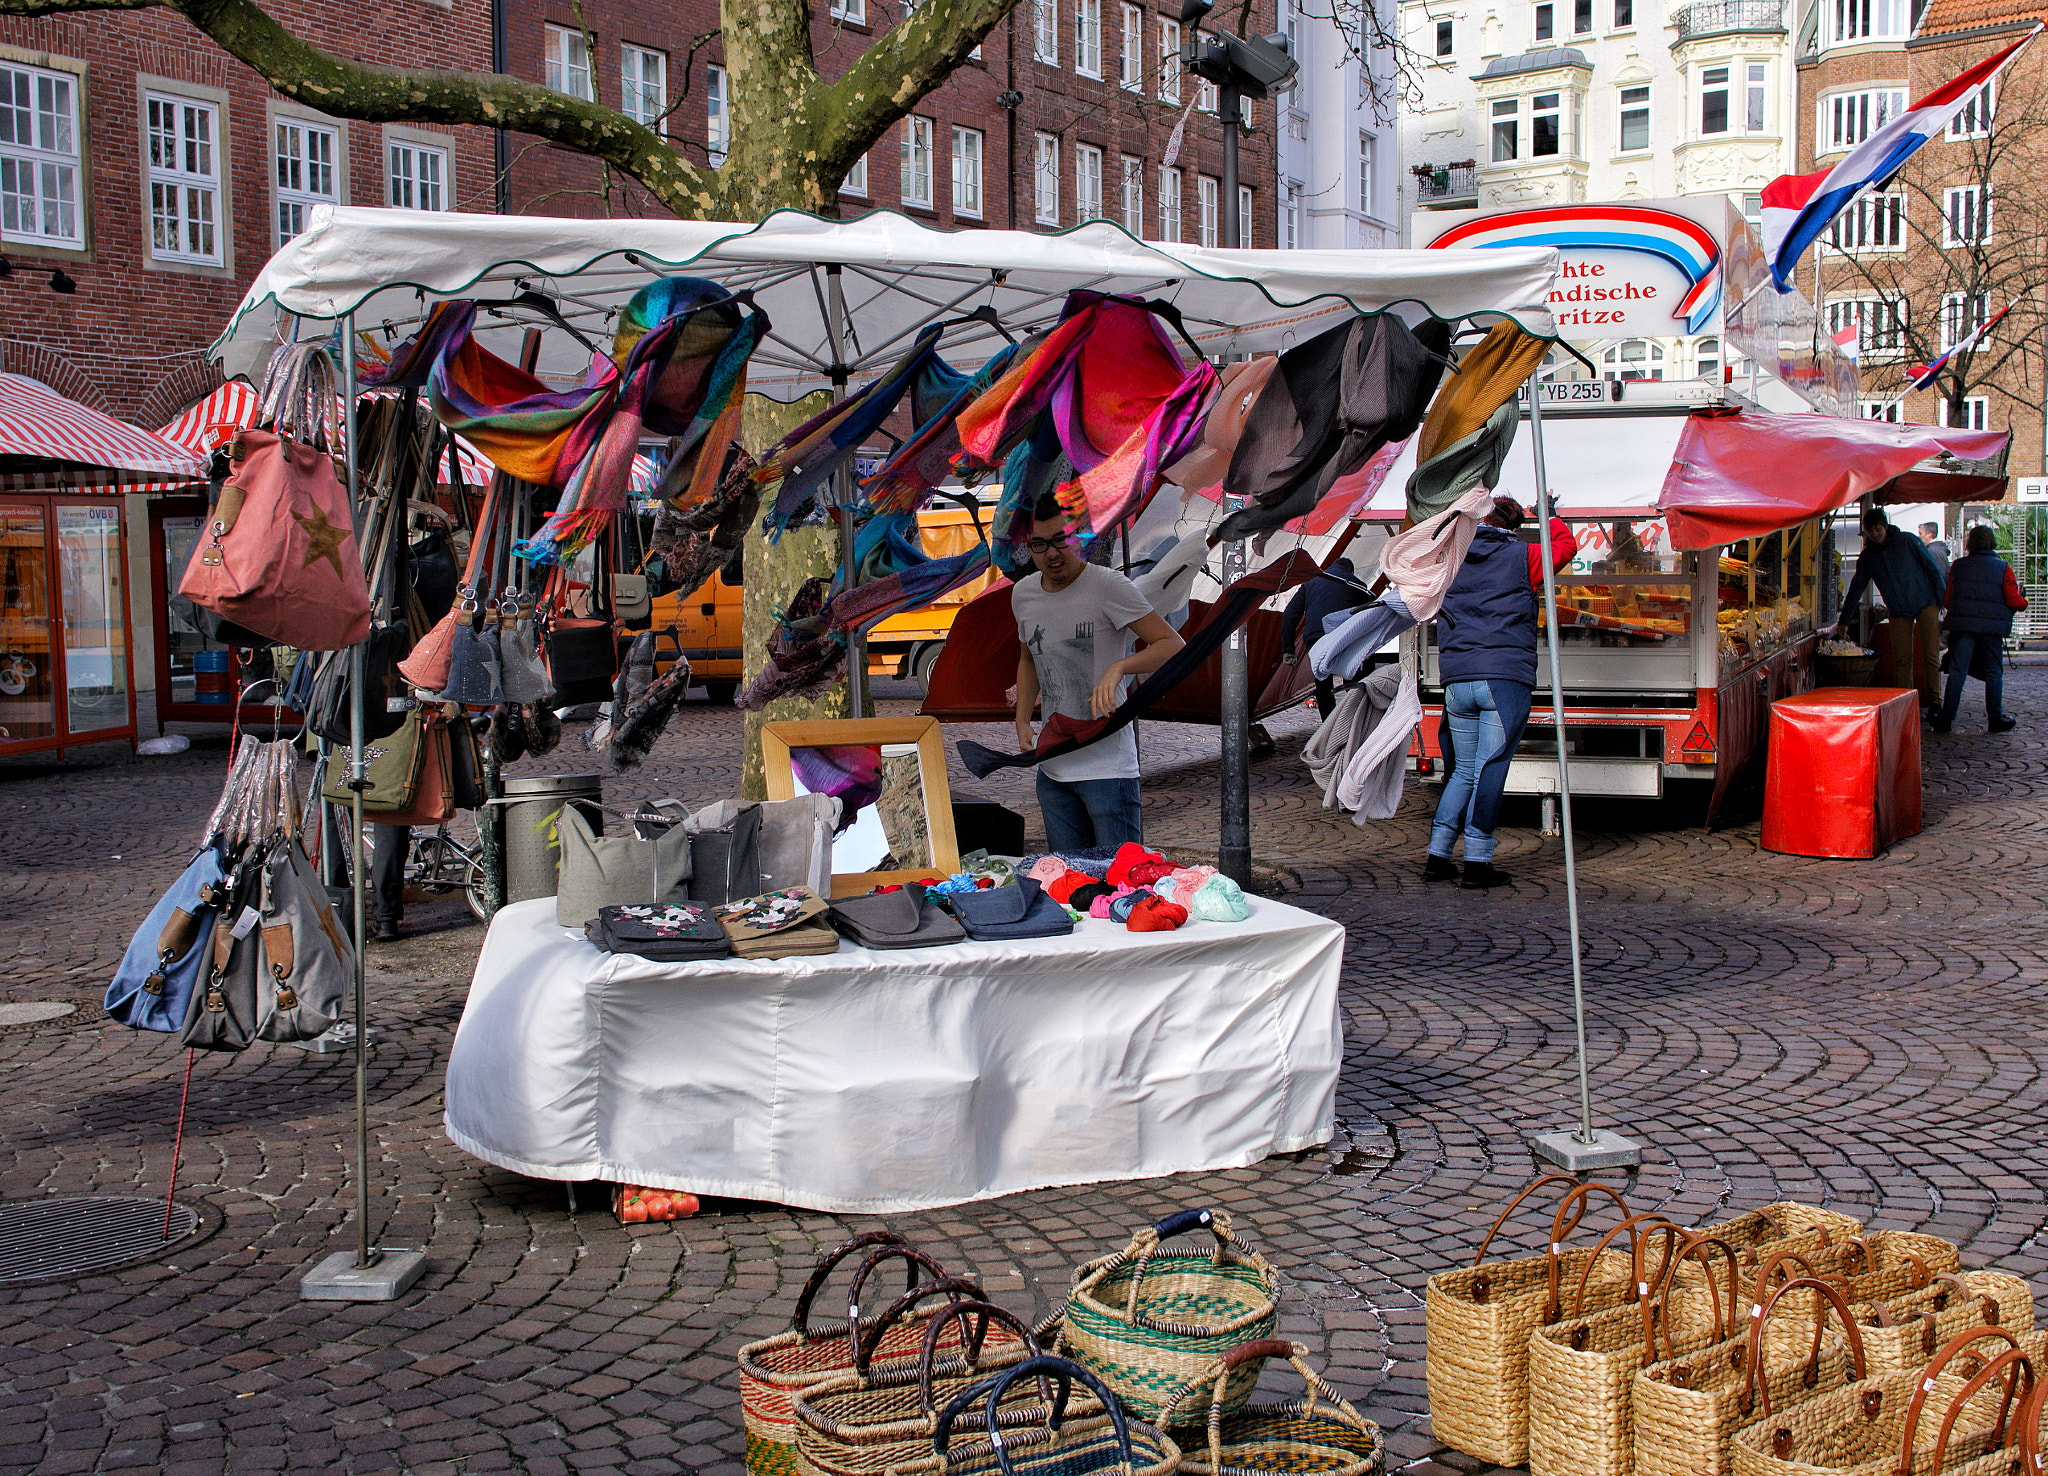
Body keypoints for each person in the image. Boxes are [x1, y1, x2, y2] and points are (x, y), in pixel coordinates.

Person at [1014, 495, 1186, 851]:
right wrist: (1021, 720)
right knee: (1070, 888)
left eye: (1061, 540)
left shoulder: (1108, 585)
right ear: (1026, 546)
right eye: (1039, 545)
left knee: (1121, 885)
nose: (1052, 554)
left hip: (1109, 771)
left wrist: (1120, 666)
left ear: (1080, 536)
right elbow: (1028, 658)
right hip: (1053, 769)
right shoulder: (1023, 594)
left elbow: (1171, 645)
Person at [1424, 497, 1577, 889]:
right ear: (1515, 526)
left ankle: (1437, 855)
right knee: (1490, 769)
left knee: (1462, 770)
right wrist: (1552, 516)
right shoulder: (1523, 557)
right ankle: (1477, 862)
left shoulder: (1452, 558)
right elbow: (1565, 548)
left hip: (1457, 679)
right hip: (1503, 678)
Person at [1835, 510, 1946, 713]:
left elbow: (1932, 569)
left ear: (1885, 526)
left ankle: (1936, 702)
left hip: (1926, 603)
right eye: (1871, 531)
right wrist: (1844, 620)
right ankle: (1904, 703)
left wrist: (1942, 599)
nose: (1875, 534)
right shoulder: (1868, 557)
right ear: (1866, 532)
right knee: (1902, 659)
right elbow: (1856, 587)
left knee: (1930, 655)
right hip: (1898, 610)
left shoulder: (1908, 541)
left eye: (1878, 529)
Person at [1935, 523, 2025, 734]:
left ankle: (1947, 719)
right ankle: (1995, 719)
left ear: (1970, 543)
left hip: (1962, 627)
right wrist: (2025, 601)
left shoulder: (1958, 566)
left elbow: (1947, 599)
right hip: (1991, 629)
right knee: (1994, 673)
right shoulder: (2003, 567)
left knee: (1958, 673)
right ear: (1992, 542)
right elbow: (2014, 600)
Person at [1279, 557, 1371, 719]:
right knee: (1352, 680)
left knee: (1323, 684)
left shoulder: (1310, 583)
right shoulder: (1358, 585)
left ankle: (1328, 725)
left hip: (1316, 637)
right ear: (1350, 571)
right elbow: (1368, 618)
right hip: (1344, 637)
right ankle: (1352, 720)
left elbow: (1290, 614)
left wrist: (1288, 649)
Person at [1919, 521, 1952, 592]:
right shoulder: (1934, 549)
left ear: (1929, 535)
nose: (1919, 536)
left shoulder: (1933, 551)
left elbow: (1940, 576)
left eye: (1921, 533)